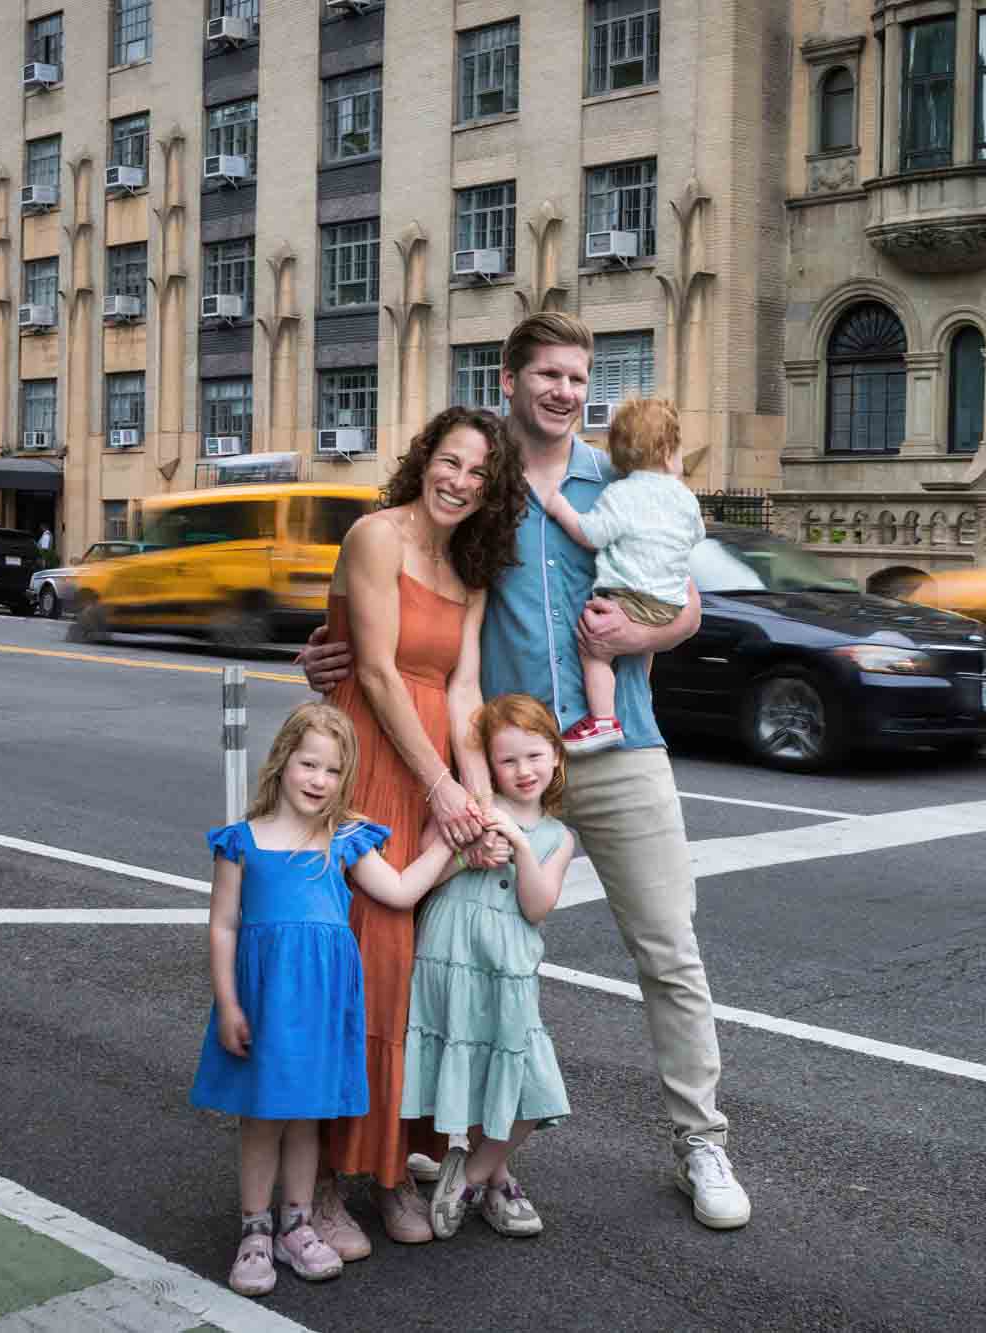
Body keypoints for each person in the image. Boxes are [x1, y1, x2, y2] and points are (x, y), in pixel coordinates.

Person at [300, 312, 751, 1231]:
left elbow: (689, 601)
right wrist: (330, 652)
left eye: (579, 378)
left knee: (670, 949)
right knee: (475, 964)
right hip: (503, 771)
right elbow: (406, 606)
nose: (565, 392)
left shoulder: (621, 479)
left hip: (622, 746)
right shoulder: (483, 489)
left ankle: (701, 1140)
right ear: (508, 379)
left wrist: (649, 629)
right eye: (547, 374)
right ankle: (476, 1153)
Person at [310, 404, 529, 1255]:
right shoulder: (376, 535)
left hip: (436, 767)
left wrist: (481, 809)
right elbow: (370, 667)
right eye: (451, 462)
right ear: (424, 458)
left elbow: (466, 689)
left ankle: (395, 1168)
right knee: (363, 966)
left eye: (480, 474)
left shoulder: (469, 566)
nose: (461, 482)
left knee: (422, 980)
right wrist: (442, 788)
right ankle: (325, 1179)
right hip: (371, 757)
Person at [189, 702, 455, 1298]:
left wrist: (445, 844)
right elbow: (223, 926)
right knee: (261, 1117)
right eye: (309, 764)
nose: (318, 781)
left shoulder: (345, 840)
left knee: (307, 1116)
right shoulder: (242, 841)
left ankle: (298, 1224)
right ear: (283, 761)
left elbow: (402, 889)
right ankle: (254, 1232)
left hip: (322, 1003)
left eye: (333, 772)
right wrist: (228, 1004)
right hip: (264, 1000)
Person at [403, 693, 574, 1240]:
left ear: (555, 757)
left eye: (534, 756)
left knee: (531, 1082)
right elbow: (426, 873)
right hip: (450, 957)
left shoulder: (557, 837)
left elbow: (538, 905)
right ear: (490, 766)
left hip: (506, 968)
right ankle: (494, 1180)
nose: (523, 771)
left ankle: (471, 1175)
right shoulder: (471, 810)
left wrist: (520, 845)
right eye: (508, 761)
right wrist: (470, 851)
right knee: (474, 1065)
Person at [540, 397, 704, 756]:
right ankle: (638, 692)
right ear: (665, 453)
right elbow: (696, 536)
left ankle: (603, 719)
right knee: (640, 651)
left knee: (593, 649)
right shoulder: (685, 498)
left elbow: (591, 534)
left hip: (630, 599)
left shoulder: (620, 493)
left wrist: (559, 508)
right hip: (670, 600)